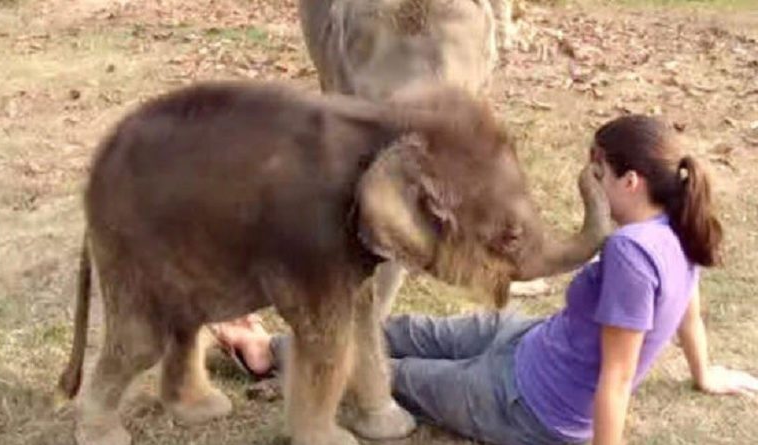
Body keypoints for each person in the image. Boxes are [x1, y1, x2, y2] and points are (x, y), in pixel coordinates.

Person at [210, 115, 758, 445]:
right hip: (529, 343)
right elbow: (689, 306)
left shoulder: (631, 253)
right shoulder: (675, 228)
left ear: (631, 180)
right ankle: (276, 347)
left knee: (391, 371)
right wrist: (704, 372)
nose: (589, 181)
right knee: (406, 330)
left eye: (598, 173)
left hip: (529, 405)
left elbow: (614, 380)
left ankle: (262, 352)